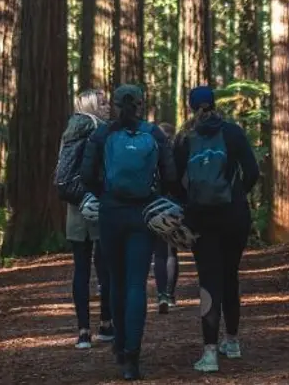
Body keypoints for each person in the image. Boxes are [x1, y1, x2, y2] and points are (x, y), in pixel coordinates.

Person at [81, 84, 177, 381]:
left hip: (111, 213)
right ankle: (132, 360)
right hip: (143, 214)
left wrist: (106, 194)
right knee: (137, 283)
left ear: (116, 104)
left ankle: (120, 347)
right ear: (139, 104)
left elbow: (86, 176)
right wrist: (156, 195)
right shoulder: (154, 134)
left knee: (116, 281)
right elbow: (171, 176)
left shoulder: (102, 134)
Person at [173, 86, 260, 373]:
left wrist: (189, 209)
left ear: (191, 107)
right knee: (230, 276)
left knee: (209, 281)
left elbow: (174, 183)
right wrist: (236, 195)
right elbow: (252, 172)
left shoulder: (184, 138)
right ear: (214, 104)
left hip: (202, 220)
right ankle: (232, 342)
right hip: (234, 216)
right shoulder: (232, 131)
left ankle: (209, 353)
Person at [54, 89, 114, 349]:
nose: (108, 105)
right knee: (104, 269)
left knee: (81, 269)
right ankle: (106, 324)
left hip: (76, 207)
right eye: (102, 102)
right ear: (91, 105)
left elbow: (63, 171)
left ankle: (83, 332)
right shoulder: (99, 129)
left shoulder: (70, 130)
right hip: (98, 204)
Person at [152, 122, 180, 314]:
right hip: (174, 203)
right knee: (172, 252)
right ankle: (170, 295)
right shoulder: (177, 152)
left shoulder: (152, 152)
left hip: (155, 203)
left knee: (159, 253)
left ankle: (161, 294)